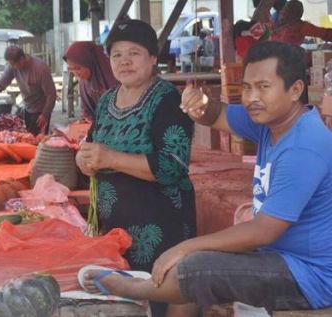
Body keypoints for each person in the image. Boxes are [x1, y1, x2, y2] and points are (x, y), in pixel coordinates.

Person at [81, 41, 332, 314]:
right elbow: (217, 115)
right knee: (196, 262)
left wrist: (187, 247)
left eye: (263, 87)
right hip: (280, 255)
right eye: (246, 87)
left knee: (194, 266)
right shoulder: (274, 120)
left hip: (308, 275)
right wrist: (200, 104)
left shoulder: (303, 147)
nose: (251, 98)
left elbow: (263, 230)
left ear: (295, 89)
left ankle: (128, 288)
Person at [75, 19, 197, 317]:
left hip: (161, 225)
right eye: (116, 54)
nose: (124, 61)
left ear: (153, 58)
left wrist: (109, 158)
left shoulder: (169, 100)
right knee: (125, 303)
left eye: (134, 53)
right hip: (116, 229)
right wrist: (85, 160)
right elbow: (92, 146)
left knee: (166, 288)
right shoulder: (106, 100)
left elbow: (172, 166)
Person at [0, 46, 56, 135]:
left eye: (13, 64)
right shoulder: (13, 66)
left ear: (22, 59)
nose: (11, 66)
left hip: (41, 109)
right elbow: (1, 83)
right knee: (27, 137)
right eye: (10, 64)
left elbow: (51, 94)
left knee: (36, 140)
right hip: (27, 107)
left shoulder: (40, 69)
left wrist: (45, 114)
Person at [63, 41, 117, 120]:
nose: (76, 73)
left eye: (78, 68)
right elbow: (86, 111)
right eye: (71, 69)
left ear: (90, 62)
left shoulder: (114, 77)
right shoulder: (84, 82)